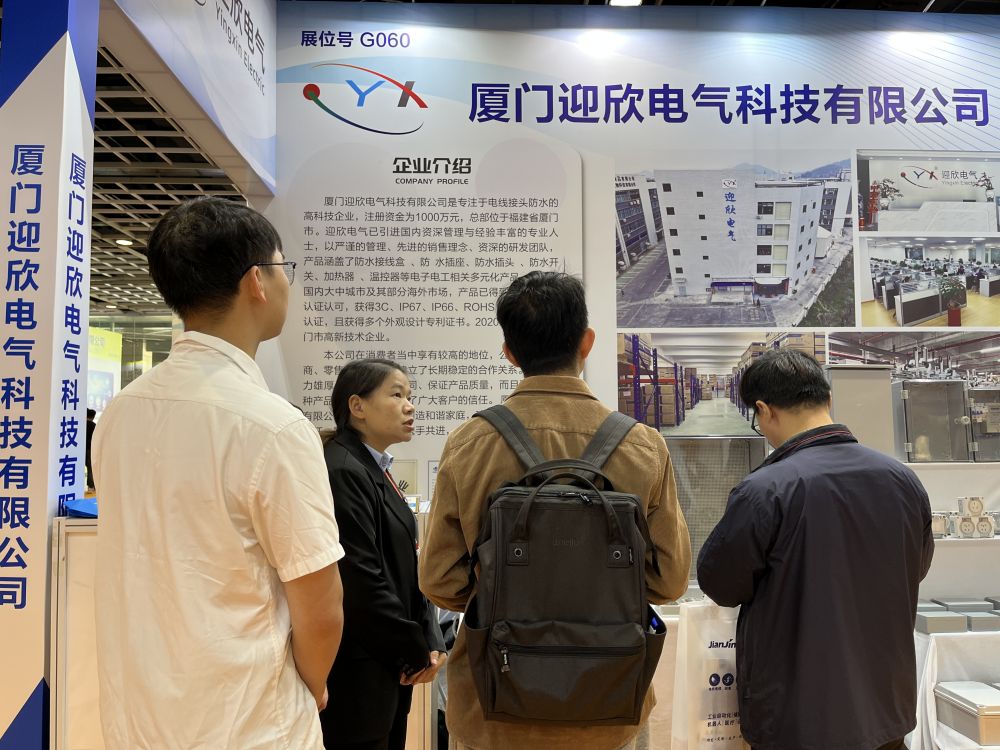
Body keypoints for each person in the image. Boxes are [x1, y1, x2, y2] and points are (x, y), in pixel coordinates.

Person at [93, 198, 345, 749]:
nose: (287, 282)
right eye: (283, 267)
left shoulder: (119, 412)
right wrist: (312, 687)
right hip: (249, 720)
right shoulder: (274, 427)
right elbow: (321, 605)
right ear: (257, 281)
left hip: (137, 715)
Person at [419, 271, 692, 750]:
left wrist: (509, 594)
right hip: (608, 704)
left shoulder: (469, 443)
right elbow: (669, 581)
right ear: (586, 342)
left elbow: (439, 580)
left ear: (510, 352)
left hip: (494, 705)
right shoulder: (642, 446)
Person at [697, 349, 933, 750]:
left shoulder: (765, 490)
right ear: (827, 399)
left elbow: (721, 584)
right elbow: (917, 567)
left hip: (798, 718)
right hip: (885, 713)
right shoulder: (902, 480)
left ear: (764, 410)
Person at [321, 359, 446, 750]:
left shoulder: (372, 467)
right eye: (396, 394)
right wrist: (414, 650)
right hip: (358, 674)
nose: (410, 406)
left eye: (409, 395)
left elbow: (406, 566)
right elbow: (361, 580)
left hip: (386, 669)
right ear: (357, 406)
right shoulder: (343, 469)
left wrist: (430, 638)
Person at [85, 408, 96, 490]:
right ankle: (90, 486)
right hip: (89, 449)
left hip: (80, 449)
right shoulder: (93, 425)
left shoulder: (81, 424)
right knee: (90, 468)